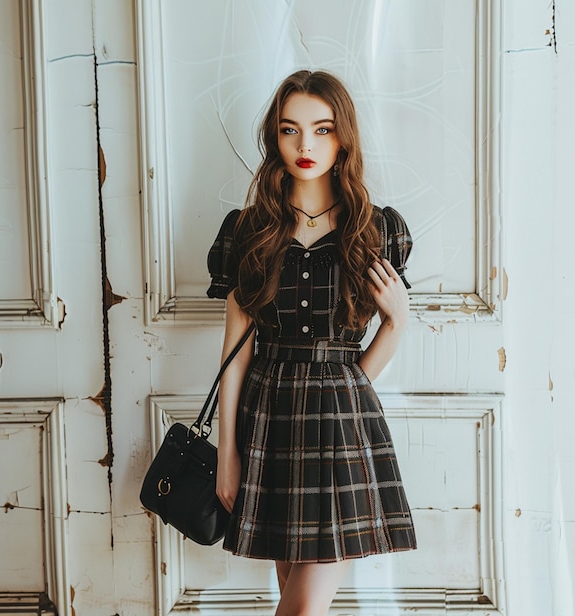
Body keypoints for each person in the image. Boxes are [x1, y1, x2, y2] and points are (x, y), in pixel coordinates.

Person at [207, 70, 416, 616]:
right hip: (267, 421)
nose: (306, 146)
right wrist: (227, 453)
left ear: (343, 137)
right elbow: (234, 356)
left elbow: (374, 352)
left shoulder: (378, 230)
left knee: (301, 609)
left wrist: (397, 321)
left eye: (322, 130)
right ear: (274, 138)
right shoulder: (249, 230)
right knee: (297, 601)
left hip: (342, 427)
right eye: (290, 130)